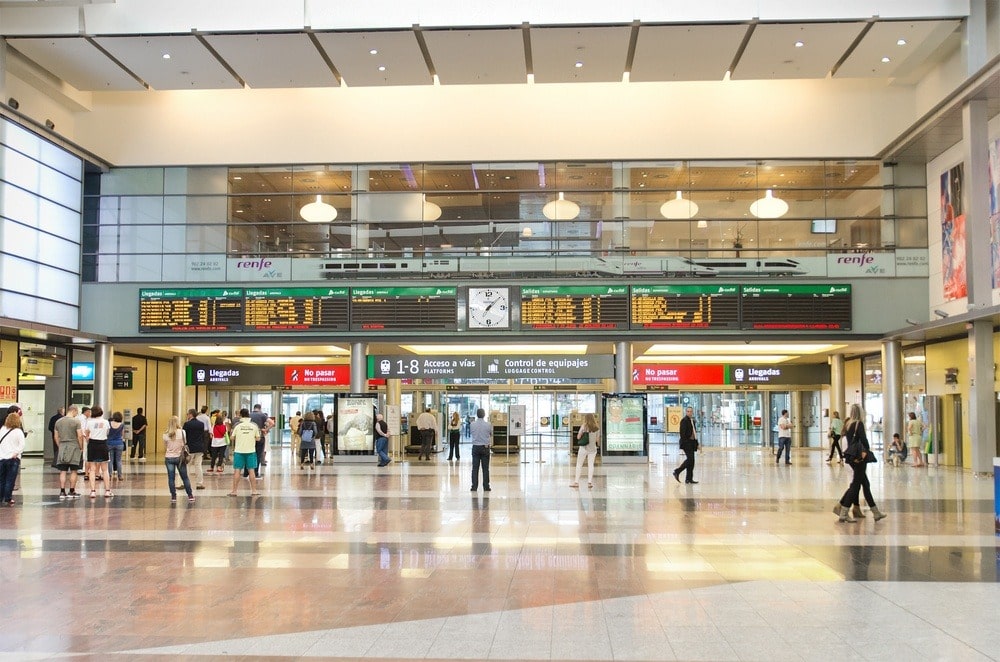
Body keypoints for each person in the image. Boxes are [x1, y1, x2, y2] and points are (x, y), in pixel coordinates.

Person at [835, 404, 886, 523]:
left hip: (851, 457)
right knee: (856, 485)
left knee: (865, 484)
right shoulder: (859, 424)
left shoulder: (848, 424)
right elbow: (864, 440)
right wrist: (866, 451)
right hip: (859, 458)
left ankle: (876, 512)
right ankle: (843, 512)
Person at [162, 415, 195, 504]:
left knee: (171, 478)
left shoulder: (165, 434)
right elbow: (185, 443)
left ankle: (173, 496)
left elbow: (165, 446)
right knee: (185, 478)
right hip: (180, 458)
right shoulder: (183, 432)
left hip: (169, 457)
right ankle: (190, 495)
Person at [54, 405, 84, 499]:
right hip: (74, 447)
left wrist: (60, 445)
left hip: (63, 446)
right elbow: (79, 435)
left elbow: (56, 436)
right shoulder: (76, 421)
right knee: (74, 470)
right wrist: (81, 446)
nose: (77, 414)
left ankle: (62, 492)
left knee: (63, 471)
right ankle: (72, 491)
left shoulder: (58, 421)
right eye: (77, 412)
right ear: (74, 411)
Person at [230, 408, 261, 496]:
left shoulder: (237, 425)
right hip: (251, 451)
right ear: (249, 415)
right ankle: (254, 490)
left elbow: (232, 437)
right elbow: (258, 438)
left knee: (237, 470)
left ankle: (234, 491)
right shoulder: (254, 425)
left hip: (239, 451)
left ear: (240, 415)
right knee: (251, 471)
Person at [85, 406, 112, 498]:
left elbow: (87, 434)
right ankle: (107, 491)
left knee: (92, 469)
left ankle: (93, 491)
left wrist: (89, 439)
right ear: (101, 412)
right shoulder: (106, 422)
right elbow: (107, 433)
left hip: (92, 444)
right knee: (105, 469)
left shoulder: (89, 422)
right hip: (103, 444)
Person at [0, 412, 26, 506]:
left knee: (1, 479)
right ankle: (8, 498)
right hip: (13, 458)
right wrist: (16, 453)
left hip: (2, 458)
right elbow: (22, 444)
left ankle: (0, 497)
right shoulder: (18, 431)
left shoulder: (2, 429)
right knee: (10, 480)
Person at [570, 413, 600, 489]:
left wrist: (583, 434)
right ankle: (589, 482)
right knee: (591, 465)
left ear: (586, 419)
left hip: (583, 448)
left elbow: (578, 437)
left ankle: (576, 482)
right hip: (593, 449)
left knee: (579, 465)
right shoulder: (597, 428)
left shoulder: (584, 426)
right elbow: (597, 440)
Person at [673, 406, 699, 484]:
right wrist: (686, 442)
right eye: (688, 411)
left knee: (692, 461)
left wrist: (697, 443)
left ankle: (689, 479)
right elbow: (682, 434)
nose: (689, 413)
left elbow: (694, 433)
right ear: (686, 412)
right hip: (686, 443)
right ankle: (677, 471)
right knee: (690, 459)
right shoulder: (684, 421)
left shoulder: (692, 421)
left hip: (692, 443)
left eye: (691, 411)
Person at [183, 409, 207, 489]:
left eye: (187, 414)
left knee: (187, 465)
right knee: (198, 465)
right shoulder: (201, 424)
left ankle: (185, 483)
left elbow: (184, 436)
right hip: (199, 447)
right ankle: (199, 483)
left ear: (190, 414)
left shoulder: (187, 424)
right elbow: (202, 435)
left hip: (190, 448)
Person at [469, 408, 491, 491]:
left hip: (475, 447)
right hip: (485, 448)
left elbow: (471, 433)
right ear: (484, 415)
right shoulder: (488, 424)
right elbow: (490, 433)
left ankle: (474, 486)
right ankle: (486, 486)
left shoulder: (472, 424)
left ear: (477, 415)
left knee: (475, 468)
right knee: (485, 468)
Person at [106, 411, 126, 483]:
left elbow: (107, 433)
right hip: (119, 443)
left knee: (110, 460)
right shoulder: (122, 425)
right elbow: (122, 434)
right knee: (119, 460)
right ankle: (120, 475)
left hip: (110, 443)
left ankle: (109, 475)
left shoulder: (109, 424)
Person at [249, 404, 270, 471]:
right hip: (260, 437)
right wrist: (266, 429)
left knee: (249, 454)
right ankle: (256, 471)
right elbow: (272, 423)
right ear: (260, 408)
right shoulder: (262, 415)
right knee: (258, 454)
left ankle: (247, 472)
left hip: (251, 437)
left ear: (254, 408)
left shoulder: (249, 415)